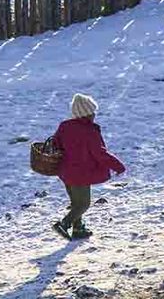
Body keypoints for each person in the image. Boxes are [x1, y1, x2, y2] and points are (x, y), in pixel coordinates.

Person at [51, 93, 126, 240]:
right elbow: (100, 153)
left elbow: (55, 144)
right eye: (92, 112)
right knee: (83, 204)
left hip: (65, 172)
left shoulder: (64, 126)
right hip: (81, 174)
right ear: (86, 114)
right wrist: (118, 166)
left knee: (75, 203)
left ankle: (78, 229)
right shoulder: (89, 131)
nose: (94, 115)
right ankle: (63, 224)